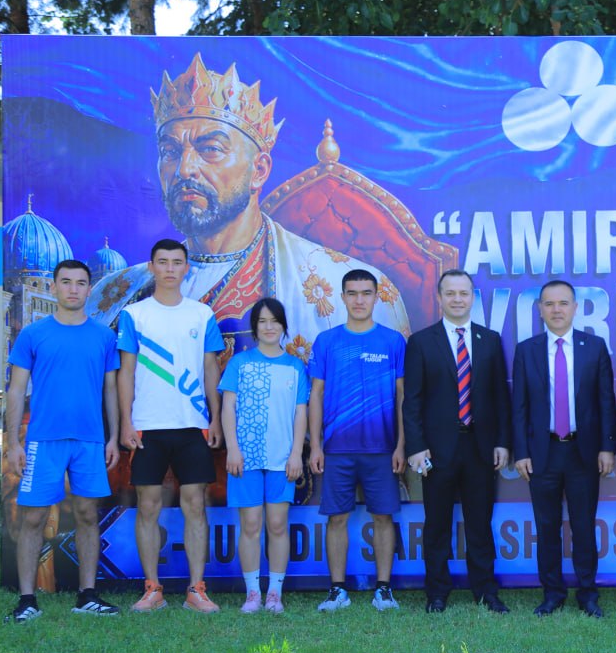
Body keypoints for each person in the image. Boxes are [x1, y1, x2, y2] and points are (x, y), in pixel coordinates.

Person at [87, 53, 408, 355]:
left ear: (259, 170)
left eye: (211, 149)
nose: (185, 169)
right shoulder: (113, 295)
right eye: (170, 152)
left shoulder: (352, 292)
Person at [5, 260, 121, 622]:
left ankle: (87, 596)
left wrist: (114, 437)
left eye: (80, 283)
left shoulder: (104, 336)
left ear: (89, 289)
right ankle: (27, 600)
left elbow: (111, 390)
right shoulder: (33, 334)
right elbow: (16, 389)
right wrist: (14, 442)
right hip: (44, 440)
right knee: (34, 517)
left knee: (87, 514)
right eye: (66, 282)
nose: (73, 289)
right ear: (54, 287)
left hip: (89, 441)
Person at [118, 239, 226, 613]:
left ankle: (197, 590)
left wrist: (214, 417)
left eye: (176, 262)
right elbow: (126, 372)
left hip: (192, 425)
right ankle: (153, 590)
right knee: (148, 506)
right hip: (147, 427)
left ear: (186, 268)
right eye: (162, 262)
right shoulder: (134, 315)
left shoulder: (201, 314)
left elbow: (210, 368)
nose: (169, 269)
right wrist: (126, 421)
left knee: (195, 505)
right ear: (151, 267)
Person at [404, 269, 512, 614]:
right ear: (439, 298)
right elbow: (412, 401)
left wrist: (502, 442)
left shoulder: (490, 340)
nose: (457, 299)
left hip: (480, 448)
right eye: (450, 293)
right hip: (437, 451)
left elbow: (500, 397)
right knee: (437, 525)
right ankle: (437, 592)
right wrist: (416, 446)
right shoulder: (421, 342)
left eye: (463, 293)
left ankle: (486, 591)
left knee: (480, 524)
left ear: (472, 297)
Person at [512, 280, 616, 618]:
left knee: (584, 526)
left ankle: (588, 594)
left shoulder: (594, 347)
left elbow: (606, 401)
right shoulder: (526, 350)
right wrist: (520, 451)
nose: (556, 310)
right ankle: (552, 593)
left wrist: (607, 447)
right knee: (547, 527)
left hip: (582, 452)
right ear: (540, 310)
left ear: (575, 307)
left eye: (563, 303)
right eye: (549, 304)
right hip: (542, 452)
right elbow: (519, 406)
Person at [308, 269, 407, 612]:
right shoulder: (327, 341)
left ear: (377, 297)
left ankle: (384, 589)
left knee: (383, 517)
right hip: (337, 448)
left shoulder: (393, 342)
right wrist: (316, 445)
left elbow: (402, 397)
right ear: (342, 297)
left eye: (366, 293)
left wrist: (401, 445)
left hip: (382, 448)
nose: (359, 300)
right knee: (336, 518)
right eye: (352, 293)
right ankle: (337, 590)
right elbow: (316, 394)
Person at [220, 298, 309, 614]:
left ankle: (274, 593)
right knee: (250, 524)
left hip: (282, 459)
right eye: (262, 321)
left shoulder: (295, 367)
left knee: (277, 524)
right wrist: (233, 448)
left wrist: (296, 454)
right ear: (254, 327)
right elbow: (228, 407)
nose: (269, 327)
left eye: (275, 321)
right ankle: (252, 594)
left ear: (283, 326)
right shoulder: (240, 363)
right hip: (245, 459)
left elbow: (301, 413)